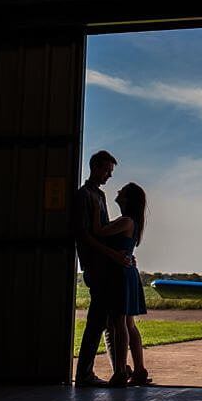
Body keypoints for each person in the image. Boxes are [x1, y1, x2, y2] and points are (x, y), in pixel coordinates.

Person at [73, 150, 131, 387]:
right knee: (97, 321)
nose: (109, 176)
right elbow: (84, 236)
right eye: (107, 170)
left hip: (106, 266)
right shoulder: (83, 195)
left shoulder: (100, 196)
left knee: (106, 321)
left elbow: (104, 230)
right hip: (95, 266)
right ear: (95, 167)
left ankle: (117, 369)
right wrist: (113, 255)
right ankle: (85, 374)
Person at [93, 182, 150, 388]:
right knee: (128, 324)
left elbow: (98, 231)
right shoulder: (132, 222)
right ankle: (140, 370)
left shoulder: (125, 221)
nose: (118, 192)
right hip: (128, 272)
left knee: (119, 324)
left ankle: (119, 372)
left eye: (122, 191)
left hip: (120, 274)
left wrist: (95, 206)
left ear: (127, 199)